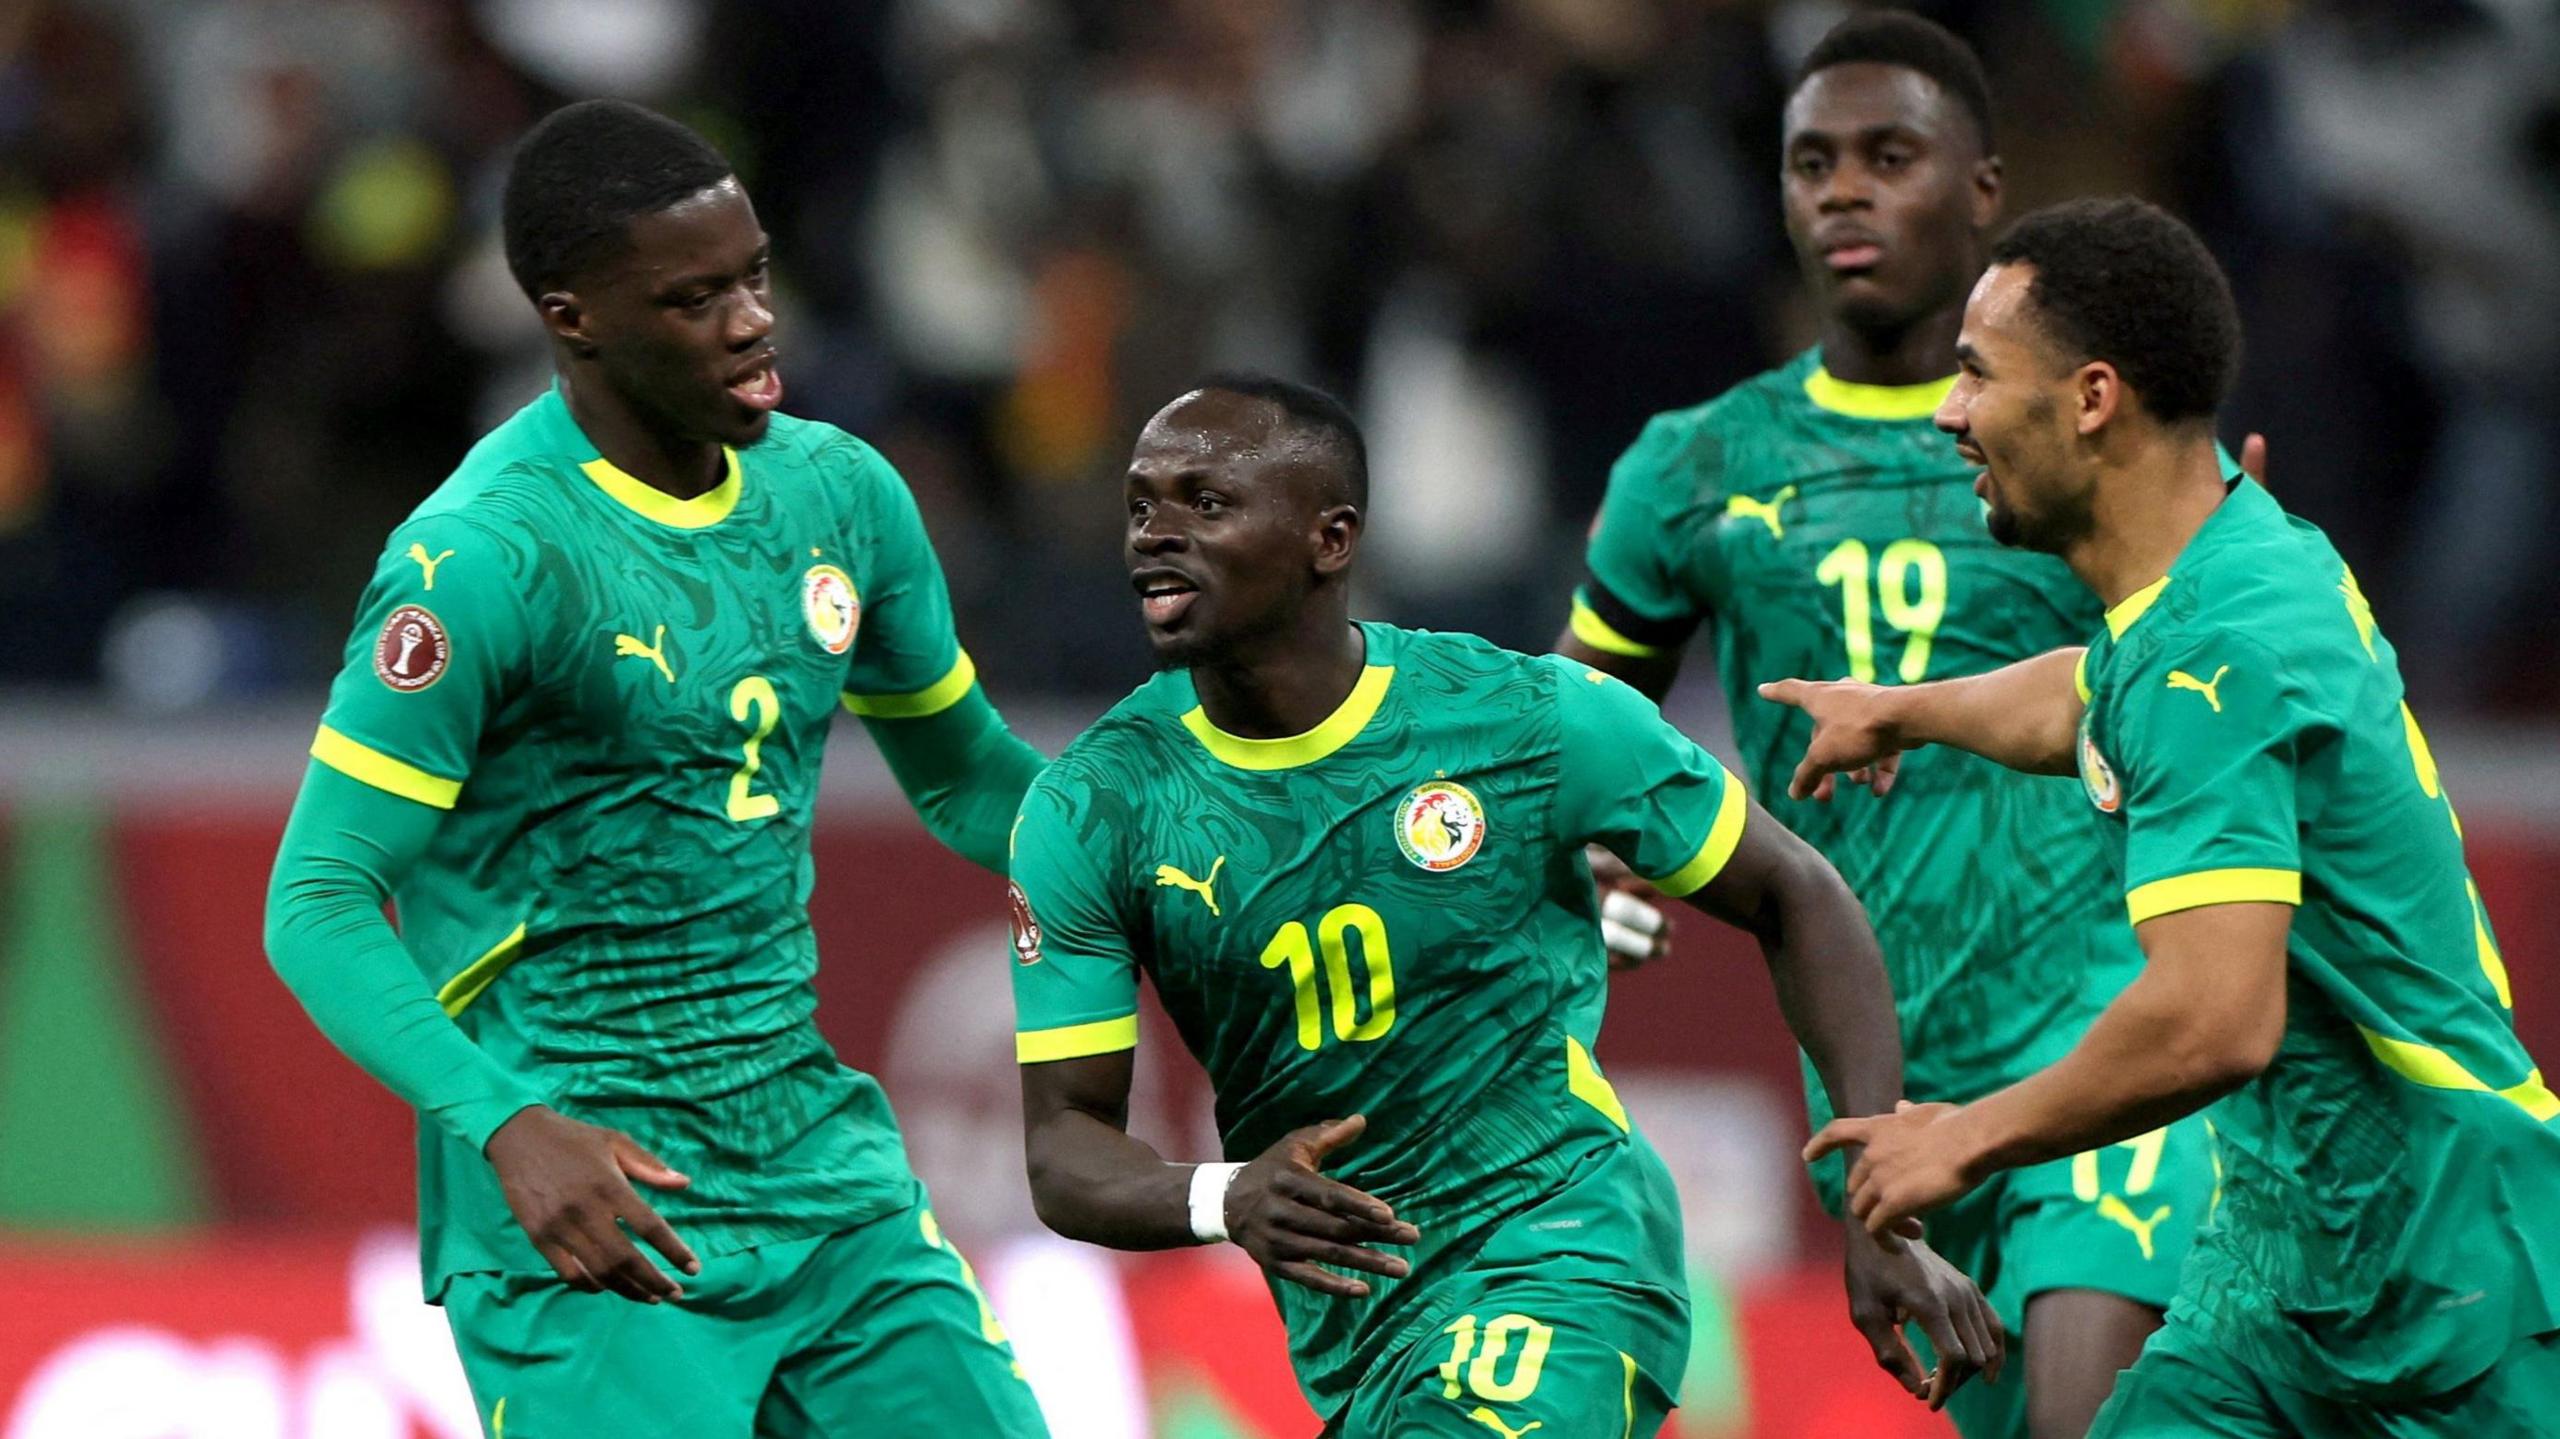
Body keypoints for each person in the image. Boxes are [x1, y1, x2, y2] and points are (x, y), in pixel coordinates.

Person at [1006, 375, 2002, 1437]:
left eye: (1205, 504)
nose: (1155, 534)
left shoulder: (1526, 718)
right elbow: (1066, 1144)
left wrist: (1876, 1199)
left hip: (1565, 1239)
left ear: (1328, 537)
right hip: (1361, 1325)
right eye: (1141, 504)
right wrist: (1221, 1194)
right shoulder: (1092, 807)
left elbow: (1795, 890)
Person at [261, 100, 1051, 1437]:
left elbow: (968, 775)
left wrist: (1185, 865)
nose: (751, 320)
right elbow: (318, 897)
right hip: (589, 1208)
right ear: (572, 318)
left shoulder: (841, 497)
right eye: (695, 299)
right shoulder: (484, 562)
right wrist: (505, 1124)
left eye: (752, 275)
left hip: (820, 1178)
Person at [1778, 196, 2560, 1437]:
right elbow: (2090, 691)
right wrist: (1902, 711)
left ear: (2091, 398)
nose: (1948, 411)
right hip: (2279, 1279)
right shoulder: (2233, 557)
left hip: (2444, 1288)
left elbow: (2212, 1017)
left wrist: (1964, 1139)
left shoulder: (2216, 650)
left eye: (1977, 375)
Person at [1554, 16, 2229, 1435]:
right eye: (1812, 164)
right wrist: (1594, 857)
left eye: (1888, 156)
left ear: (1984, 189)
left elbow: (2235, 662)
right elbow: (1576, 738)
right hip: (1880, 1088)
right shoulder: (1697, 467)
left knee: (2080, 1411)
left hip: (2102, 1030)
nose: (1843, 192)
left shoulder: (2090, 426)